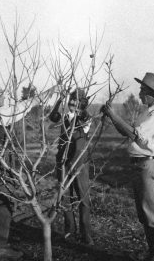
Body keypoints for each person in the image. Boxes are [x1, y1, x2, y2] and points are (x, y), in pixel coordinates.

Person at [0, 80, 57, 259]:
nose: (4, 97)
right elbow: (26, 104)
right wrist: (50, 91)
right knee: (4, 201)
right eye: (2, 95)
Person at [101, 73, 154, 261]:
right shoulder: (147, 112)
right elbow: (129, 133)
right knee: (146, 216)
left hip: (148, 166)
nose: (140, 93)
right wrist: (111, 117)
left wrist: (114, 115)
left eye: (142, 90)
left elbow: (135, 135)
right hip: (140, 166)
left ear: (151, 93)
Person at [49, 88, 93, 245]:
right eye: (70, 100)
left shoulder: (85, 118)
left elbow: (83, 118)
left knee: (83, 198)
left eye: (75, 100)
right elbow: (52, 116)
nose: (72, 103)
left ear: (81, 103)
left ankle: (86, 235)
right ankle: (70, 231)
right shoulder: (64, 117)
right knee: (64, 197)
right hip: (63, 162)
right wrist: (59, 100)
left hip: (79, 163)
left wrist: (80, 108)